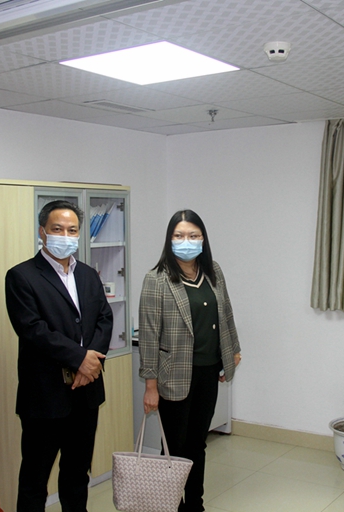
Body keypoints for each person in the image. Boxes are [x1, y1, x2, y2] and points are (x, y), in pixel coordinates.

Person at [5, 200, 112, 512]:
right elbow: (33, 329)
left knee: (77, 474)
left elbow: (104, 319)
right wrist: (81, 359)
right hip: (45, 396)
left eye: (72, 230)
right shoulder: (22, 276)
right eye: (57, 229)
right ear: (42, 232)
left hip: (86, 392)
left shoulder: (88, 275)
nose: (65, 236)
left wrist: (91, 363)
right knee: (34, 479)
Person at [138, 210, 242, 512]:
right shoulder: (156, 279)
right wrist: (150, 386)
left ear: (203, 239)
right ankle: (169, 504)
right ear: (169, 240)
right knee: (174, 446)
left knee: (198, 443)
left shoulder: (213, 271)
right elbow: (149, 336)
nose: (187, 241)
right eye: (179, 235)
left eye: (193, 235)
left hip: (208, 372)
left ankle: (194, 504)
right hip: (173, 376)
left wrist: (232, 351)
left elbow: (226, 313)